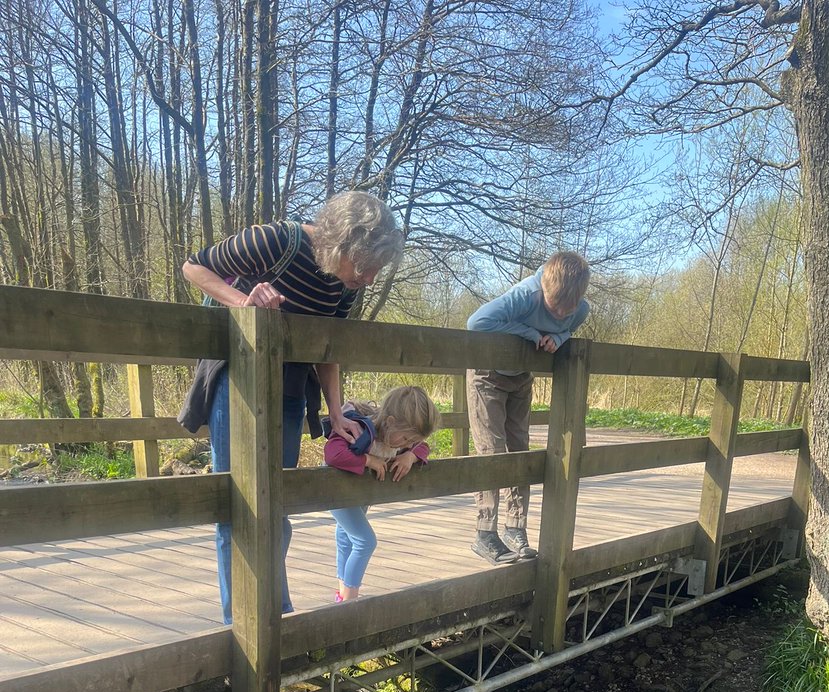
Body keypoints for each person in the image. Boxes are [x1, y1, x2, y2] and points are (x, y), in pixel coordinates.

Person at [182, 190, 404, 623]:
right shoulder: (277, 241)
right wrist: (244, 304)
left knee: (276, 504)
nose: (370, 278)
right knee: (237, 503)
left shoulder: (346, 285)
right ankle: (241, 620)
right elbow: (194, 266)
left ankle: (275, 613)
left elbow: (328, 348)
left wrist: (337, 413)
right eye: (364, 266)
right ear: (340, 244)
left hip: (289, 385)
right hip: (237, 378)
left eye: (376, 269)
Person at [466, 252, 591, 563]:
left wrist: (559, 336)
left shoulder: (580, 309)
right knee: (492, 451)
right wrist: (531, 334)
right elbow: (476, 322)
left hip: (520, 379)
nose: (562, 312)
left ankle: (515, 527)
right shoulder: (526, 296)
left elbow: (568, 329)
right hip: (487, 375)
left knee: (520, 451)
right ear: (545, 289)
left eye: (569, 307)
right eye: (555, 306)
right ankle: (485, 532)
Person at [324, 386, 438, 601]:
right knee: (365, 540)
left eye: (412, 441)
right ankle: (350, 600)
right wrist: (368, 460)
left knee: (347, 536)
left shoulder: (401, 439)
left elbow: (423, 447)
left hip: (359, 491)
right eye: (406, 439)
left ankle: (343, 595)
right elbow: (333, 454)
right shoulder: (359, 430)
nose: (409, 444)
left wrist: (410, 456)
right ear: (391, 421)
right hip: (336, 489)